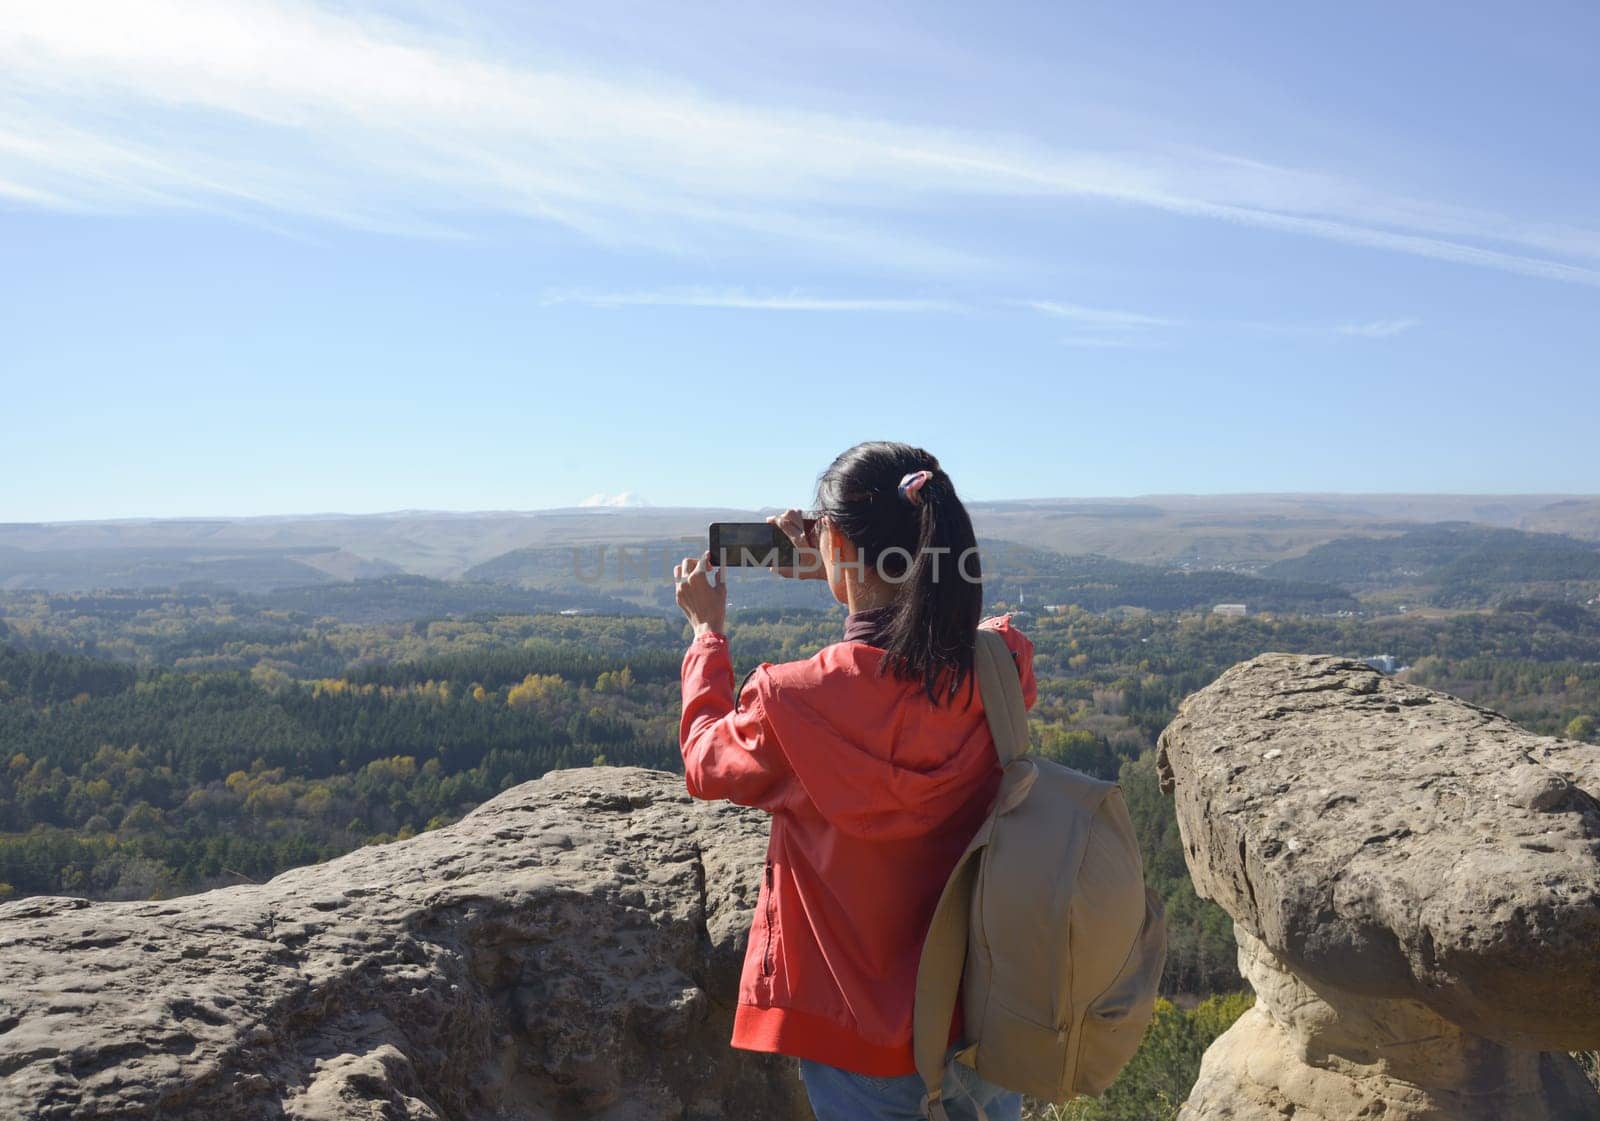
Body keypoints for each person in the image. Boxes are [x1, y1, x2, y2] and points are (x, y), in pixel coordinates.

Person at [671, 441, 1036, 1121]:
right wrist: (847, 570)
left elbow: (704, 758)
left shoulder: (792, 702)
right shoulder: (999, 666)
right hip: (986, 1013)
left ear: (834, 538)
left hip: (862, 1041)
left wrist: (707, 636)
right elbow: (941, 638)